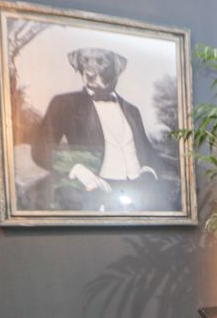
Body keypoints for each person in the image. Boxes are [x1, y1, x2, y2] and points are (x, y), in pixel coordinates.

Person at [31, 47, 170, 212]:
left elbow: (147, 150)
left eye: (100, 62)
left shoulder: (132, 110)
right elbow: (41, 149)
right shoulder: (64, 104)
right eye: (85, 61)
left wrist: (149, 171)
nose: (90, 69)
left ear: (116, 68)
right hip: (94, 192)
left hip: (139, 196)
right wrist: (77, 170)